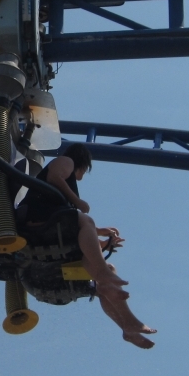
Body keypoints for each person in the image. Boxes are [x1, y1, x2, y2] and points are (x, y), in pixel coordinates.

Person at [23, 143, 157, 349]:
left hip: (48, 277)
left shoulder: (64, 218)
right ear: (82, 163)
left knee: (104, 272)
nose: (83, 175)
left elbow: (79, 241)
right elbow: (54, 178)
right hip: (39, 229)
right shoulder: (66, 161)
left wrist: (103, 241)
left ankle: (128, 325)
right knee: (86, 219)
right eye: (85, 169)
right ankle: (104, 276)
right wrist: (78, 201)